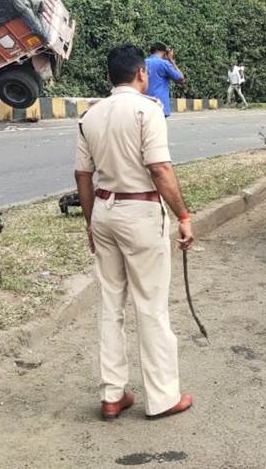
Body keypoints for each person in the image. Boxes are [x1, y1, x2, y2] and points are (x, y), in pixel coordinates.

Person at [74, 45, 195, 421]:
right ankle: (161, 398)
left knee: (111, 305)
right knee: (151, 305)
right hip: (140, 212)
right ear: (142, 74)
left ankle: (112, 395)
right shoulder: (149, 110)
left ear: (110, 77)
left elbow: (82, 175)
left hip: (105, 212)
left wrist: (91, 222)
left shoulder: (90, 116)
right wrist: (184, 215)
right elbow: (159, 169)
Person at [145, 42, 184, 118]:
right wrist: (171, 60)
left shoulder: (142, 63)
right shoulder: (164, 64)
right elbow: (181, 78)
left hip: (144, 105)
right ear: (163, 52)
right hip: (159, 106)